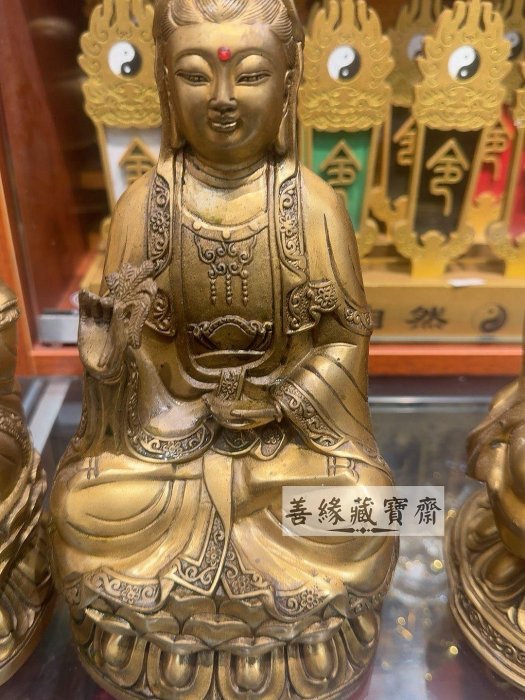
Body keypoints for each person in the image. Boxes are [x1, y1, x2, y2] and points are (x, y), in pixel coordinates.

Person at [50, 1, 397, 697]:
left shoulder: (316, 207)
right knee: (77, 505)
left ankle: (166, 627)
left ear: (289, 82)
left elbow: (344, 342)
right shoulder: (142, 208)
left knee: (377, 505)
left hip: (286, 448)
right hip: (170, 448)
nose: (223, 97)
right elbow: (128, 356)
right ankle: (287, 630)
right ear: (164, 85)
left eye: (251, 74)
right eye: (194, 74)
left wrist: (279, 399)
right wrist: (113, 362)